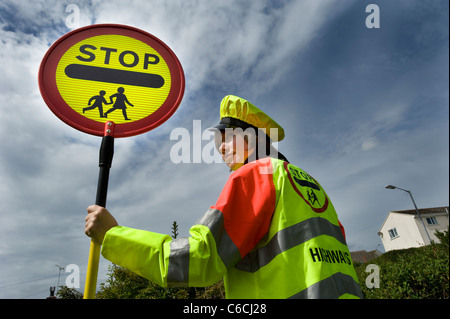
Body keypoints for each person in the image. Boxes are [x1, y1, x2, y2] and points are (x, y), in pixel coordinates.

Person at [85, 95, 363, 299]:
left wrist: (113, 236)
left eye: (225, 140)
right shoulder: (307, 182)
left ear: (251, 140)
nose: (220, 149)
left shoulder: (256, 174)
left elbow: (200, 259)